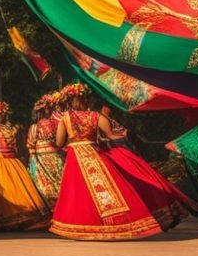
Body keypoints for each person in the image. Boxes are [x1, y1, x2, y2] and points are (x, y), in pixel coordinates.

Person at [50, 89, 165, 240]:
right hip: (95, 153)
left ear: (70, 101)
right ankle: (118, 222)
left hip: (75, 156)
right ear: (86, 100)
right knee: (109, 187)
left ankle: (85, 225)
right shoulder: (97, 116)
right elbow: (111, 134)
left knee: (80, 191)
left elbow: (59, 142)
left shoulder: (65, 117)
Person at [92, 90, 198, 228]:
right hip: (117, 153)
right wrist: (123, 136)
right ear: (104, 106)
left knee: (142, 179)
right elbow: (109, 136)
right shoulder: (99, 118)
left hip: (125, 152)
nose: (111, 108)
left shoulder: (107, 119)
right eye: (108, 105)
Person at [0, 101, 50, 230]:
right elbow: (16, 147)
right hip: (12, 160)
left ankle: (8, 215)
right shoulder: (10, 128)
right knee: (16, 188)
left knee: (4, 190)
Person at [27, 94, 64, 209]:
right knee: (45, 182)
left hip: (53, 156)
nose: (48, 110)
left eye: (49, 108)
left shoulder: (56, 123)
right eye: (46, 108)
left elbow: (31, 143)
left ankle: (56, 205)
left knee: (55, 180)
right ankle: (50, 205)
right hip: (43, 158)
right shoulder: (36, 126)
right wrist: (32, 158)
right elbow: (31, 144)